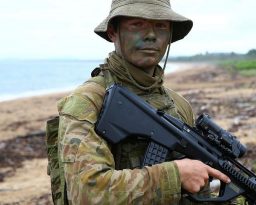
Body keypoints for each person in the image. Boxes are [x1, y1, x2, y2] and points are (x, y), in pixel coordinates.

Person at [56, 0, 231, 204]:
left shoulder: (178, 105)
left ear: (170, 35)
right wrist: (175, 175)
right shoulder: (89, 101)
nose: (151, 35)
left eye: (161, 26)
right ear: (113, 32)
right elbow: (86, 193)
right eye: (137, 24)